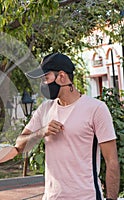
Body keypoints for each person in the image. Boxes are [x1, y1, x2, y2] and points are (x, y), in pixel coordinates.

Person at [15, 53, 120, 200]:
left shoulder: (96, 109)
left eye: (46, 78)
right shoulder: (44, 109)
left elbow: (112, 161)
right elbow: (19, 145)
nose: (43, 84)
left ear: (62, 76)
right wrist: (41, 132)